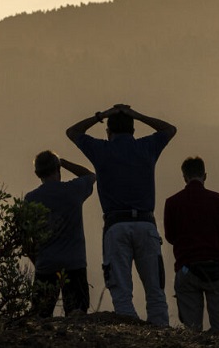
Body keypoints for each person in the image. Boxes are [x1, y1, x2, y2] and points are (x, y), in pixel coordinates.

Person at [66, 104, 176, 326]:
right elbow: (169, 129)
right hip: (146, 224)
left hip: (116, 226)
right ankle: (161, 334)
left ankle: (131, 336)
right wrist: (138, 114)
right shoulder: (147, 146)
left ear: (109, 132)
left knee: (122, 293)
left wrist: (101, 115)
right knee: (155, 291)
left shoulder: (102, 150)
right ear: (133, 131)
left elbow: (73, 132)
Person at [164, 157, 219, 333]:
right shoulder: (218, 200)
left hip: (187, 269)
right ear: (205, 175)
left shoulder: (172, 202)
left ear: (184, 177)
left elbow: (171, 237)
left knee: (192, 331)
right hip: (216, 270)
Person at [24, 151, 96, 317]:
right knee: (77, 312)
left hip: (46, 264)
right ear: (58, 168)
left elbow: (24, 239)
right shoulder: (74, 190)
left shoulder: (31, 199)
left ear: (37, 174)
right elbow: (90, 175)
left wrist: (38, 260)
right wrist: (64, 162)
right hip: (74, 263)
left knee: (40, 314)